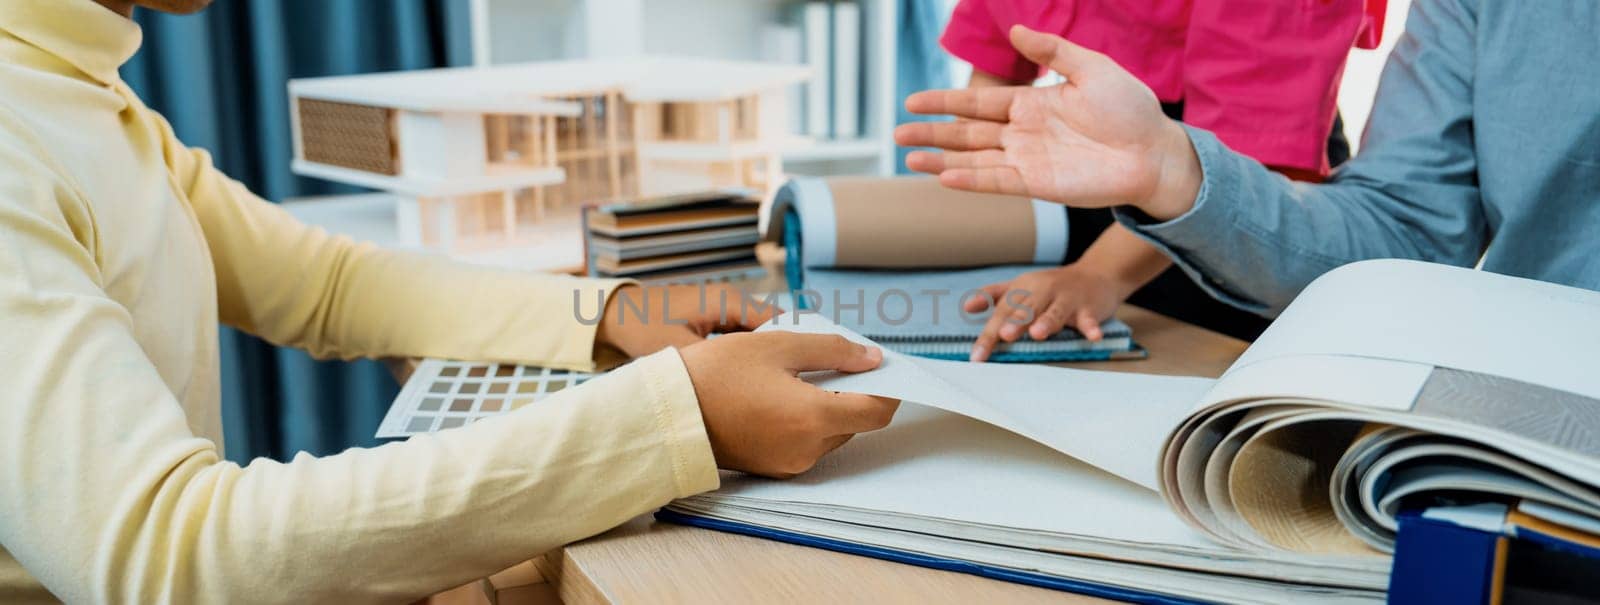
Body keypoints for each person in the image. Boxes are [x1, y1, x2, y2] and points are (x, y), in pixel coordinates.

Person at [0, 1, 899, 602]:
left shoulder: (76, 81)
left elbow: (327, 283)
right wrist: (676, 417)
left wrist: (605, 309)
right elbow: (168, 551)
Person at [896, 1, 1600, 318]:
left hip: (1248, 165)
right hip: (1124, 152)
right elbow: (1410, 233)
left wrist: (1099, 270)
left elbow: (1257, 145)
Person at [940, 0, 1386, 359]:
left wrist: (1098, 274)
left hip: (1234, 183)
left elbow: (1238, 157)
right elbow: (997, 44)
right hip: (1096, 152)